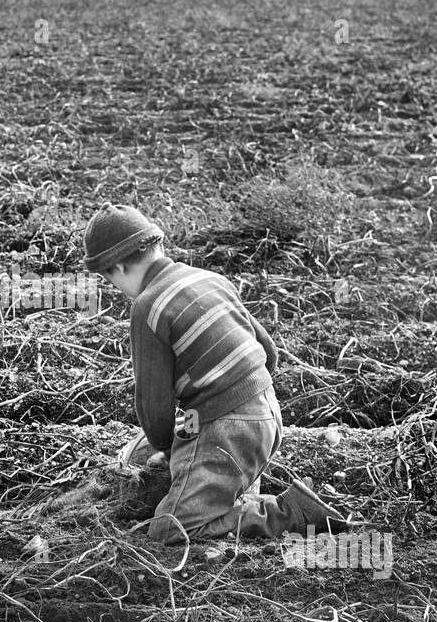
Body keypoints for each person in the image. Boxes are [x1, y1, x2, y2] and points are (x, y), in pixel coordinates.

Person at [84, 203, 338, 545]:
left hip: (227, 431)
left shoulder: (148, 306)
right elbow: (270, 353)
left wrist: (166, 448)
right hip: (268, 415)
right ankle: (238, 495)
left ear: (116, 267)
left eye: (110, 279)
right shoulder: (210, 279)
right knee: (211, 477)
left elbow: (153, 405)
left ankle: (290, 514)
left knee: (170, 528)